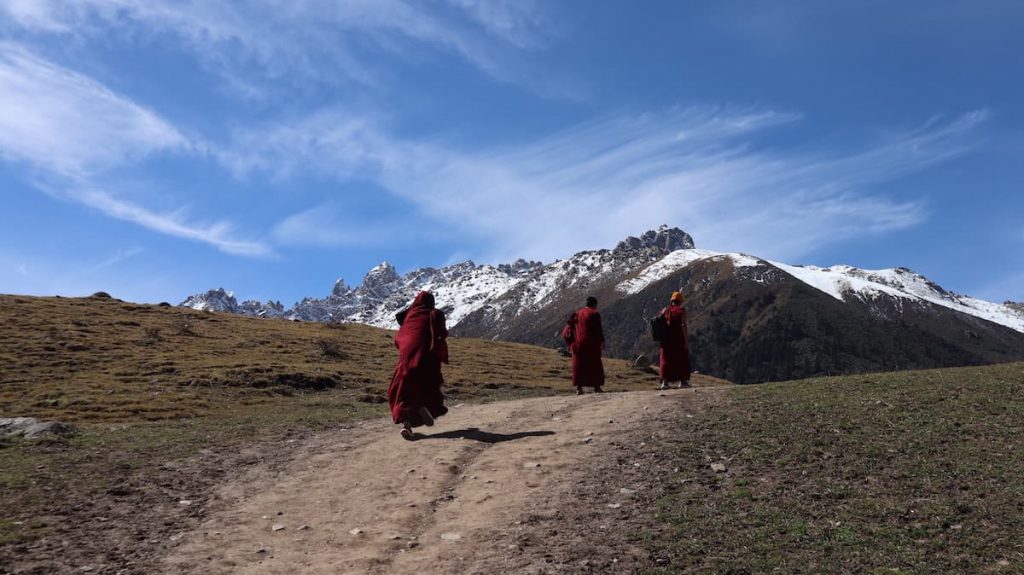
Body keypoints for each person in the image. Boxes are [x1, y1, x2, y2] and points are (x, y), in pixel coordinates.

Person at [387, 291, 449, 440]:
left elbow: (399, 340)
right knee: (427, 386)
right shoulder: (434, 314)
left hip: (406, 361)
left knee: (401, 391)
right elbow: (442, 333)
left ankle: (407, 424)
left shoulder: (409, 316)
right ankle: (422, 407)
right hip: (427, 359)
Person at [563, 296, 605, 395]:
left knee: (579, 366)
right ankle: (596, 387)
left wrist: (570, 342)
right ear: (595, 305)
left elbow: (569, 328)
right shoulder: (595, 313)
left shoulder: (577, 314)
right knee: (594, 364)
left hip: (578, 344)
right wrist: (602, 341)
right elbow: (598, 329)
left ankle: (579, 388)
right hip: (592, 344)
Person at [658, 291, 692, 390]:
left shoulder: (665, 311)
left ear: (671, 301)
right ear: (680, 301)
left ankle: (665, 383)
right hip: (678, 339)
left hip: (666, 341)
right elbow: (683, 325)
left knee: (665, 360)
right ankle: (683, 382)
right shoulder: (681, 311)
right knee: (681, 359)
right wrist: (686, 340)